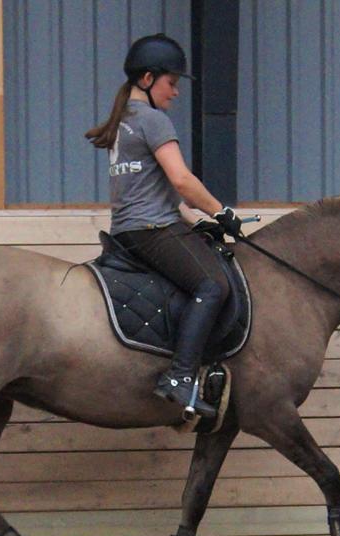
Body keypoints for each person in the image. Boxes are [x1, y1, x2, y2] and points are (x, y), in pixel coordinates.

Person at [85, 33, 246, 418]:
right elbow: (182, 181)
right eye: (171, 82)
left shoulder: (123, 123)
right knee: (213, 284)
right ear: (146, 79)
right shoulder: (154, 121)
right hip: (152, 230)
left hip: (131, 230)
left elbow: (159, 193)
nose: (175, 92)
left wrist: (197, 222)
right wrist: (222, 212)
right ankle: (179, 377)